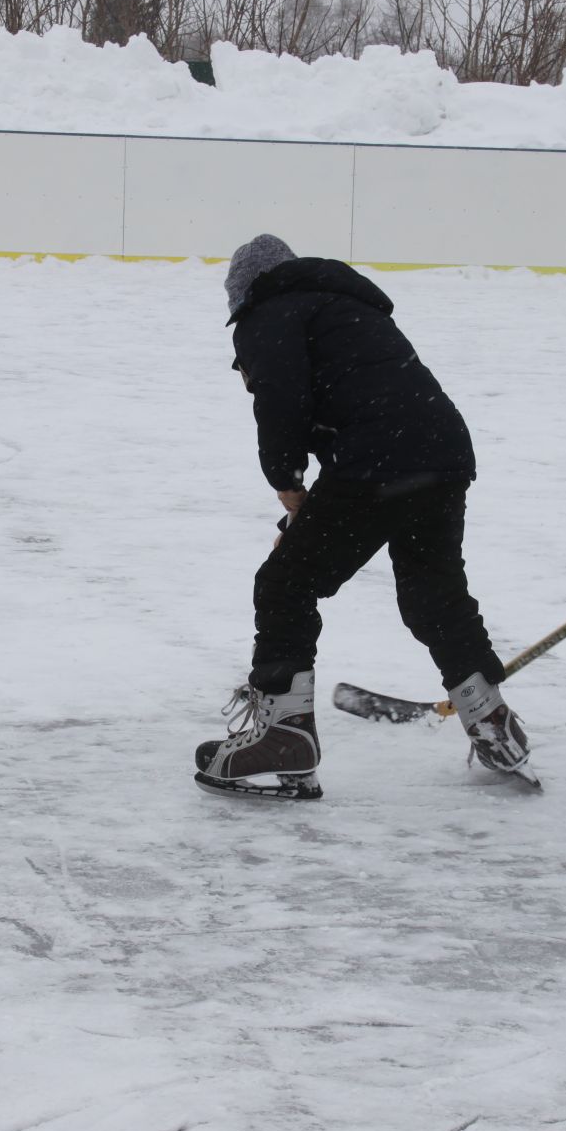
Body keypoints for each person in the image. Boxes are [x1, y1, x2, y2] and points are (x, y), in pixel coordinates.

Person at [193, 234, 532, 800]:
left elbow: (280, 397)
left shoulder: (270, 309)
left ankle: (284, 737)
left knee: (285, 584)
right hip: (441, 451)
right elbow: (370, 401)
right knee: (434, 593)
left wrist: (285, 481)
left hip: (378, 459)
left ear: (244, 291)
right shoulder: (345, 304)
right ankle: (492, 720)